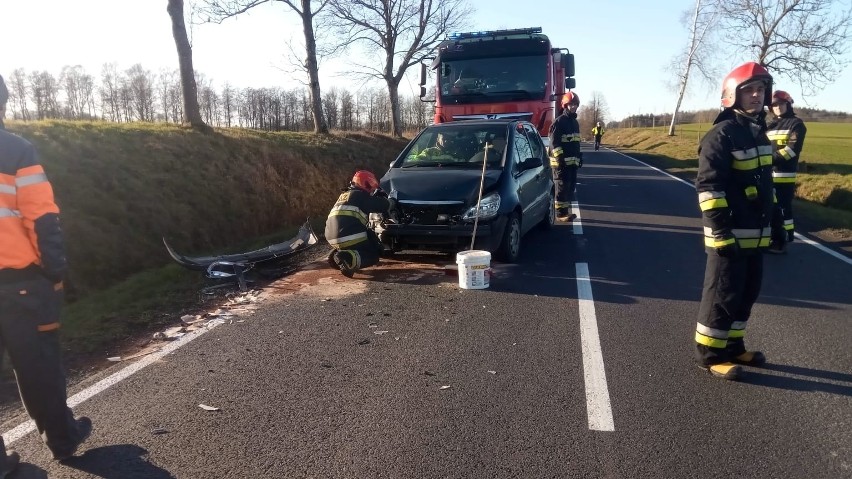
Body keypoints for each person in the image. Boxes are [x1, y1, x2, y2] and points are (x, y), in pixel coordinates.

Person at [0, 74, 93, 475]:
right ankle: (62, 440)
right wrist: (55, 273)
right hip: (20, 285)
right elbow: (42, 217)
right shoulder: (15, 149)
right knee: (38, 365)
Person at [694, 62, 775, 380]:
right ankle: (711, 355)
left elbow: (767, 186)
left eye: (761, 89)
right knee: (722, 295)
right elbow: (709, 189)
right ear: (733, 96)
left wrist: (779, 223)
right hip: (728, 236)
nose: (757, 95)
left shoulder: (757, 133)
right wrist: (721, 231)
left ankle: (733, 345)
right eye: (750, 90)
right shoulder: (721, 135)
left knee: (746, 292)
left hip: (756, 236)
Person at [325, 170, 392, 278]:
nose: (372, 191)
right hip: (349, 236)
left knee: (367, 231)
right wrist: (390, 201)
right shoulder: (360, 195)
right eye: (372, 188)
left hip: (331, 236)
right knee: (373, 255)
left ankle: (340, 257)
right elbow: (381, 205)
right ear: (367, 184)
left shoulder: (345, 195)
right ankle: (348, 259)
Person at [766, 90, 807, 254]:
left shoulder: (796, 124)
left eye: (780, 104)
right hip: (768, 174)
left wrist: (768, 160)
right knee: (770, 209)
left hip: (784, 176)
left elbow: (791, 150)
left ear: (788, 104)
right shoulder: (770, 125)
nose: (777, 108)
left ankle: (783, 240)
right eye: (774, 105)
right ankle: (776, 237)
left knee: (782, 209)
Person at [548, 91, 583, 221]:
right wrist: (559, 159)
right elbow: (554, 142)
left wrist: (579, 157)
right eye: (570, 104)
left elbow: (576, 142)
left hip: (572, 164)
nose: (573, 107)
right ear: (565, 105)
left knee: (570, 187)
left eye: (575, 104)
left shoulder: (575, 123)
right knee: (561, 188)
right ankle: (560, 214)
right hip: (561, 164)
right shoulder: (559, 122)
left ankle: (565, 212)